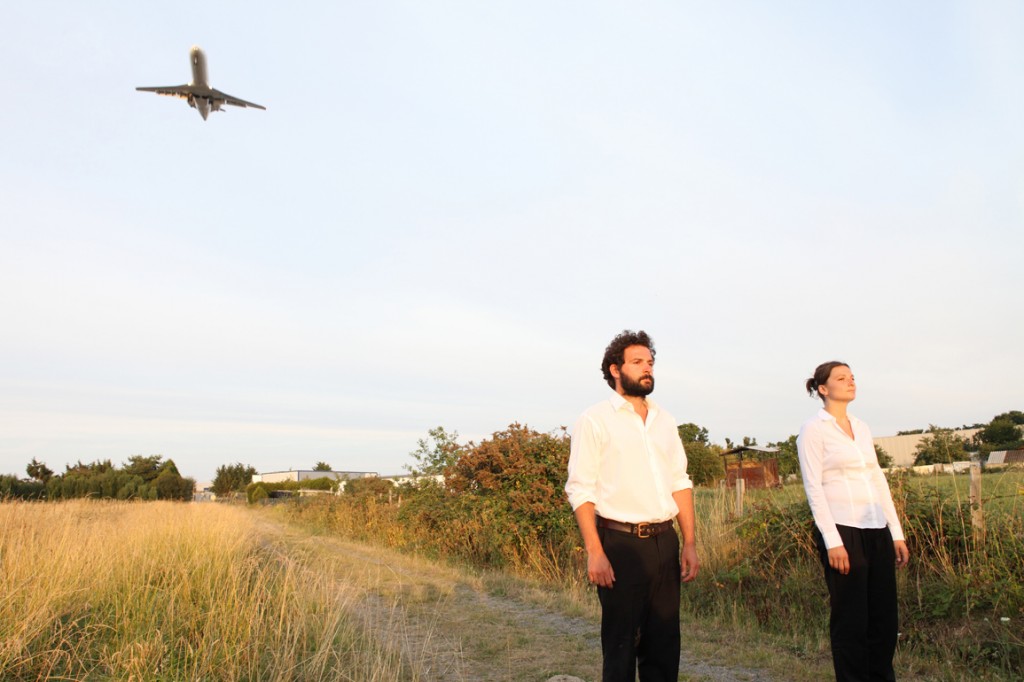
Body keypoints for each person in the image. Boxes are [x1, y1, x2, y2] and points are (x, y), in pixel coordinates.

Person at [565, 330, 699, 682]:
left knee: (665, 643)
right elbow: (581, 489)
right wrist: (594, 551)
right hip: (620, 544)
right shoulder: (594, 420)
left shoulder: (665, 421)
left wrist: (690, 542)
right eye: (637, 362)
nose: (647, 368)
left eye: (650, 362)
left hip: (665, 542)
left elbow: (680, 482)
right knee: (622, 644)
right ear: (615, 369)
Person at [797, 361, 911, 682]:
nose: (851, 382)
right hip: (842, 532)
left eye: (852, 377)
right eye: (842, 378)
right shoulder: (813, 429)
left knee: (884, 618)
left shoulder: (861, 427)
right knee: (851, 620)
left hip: (877, 530)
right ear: (823, 389)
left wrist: (896, 533)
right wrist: (833, 541)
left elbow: (877, 479)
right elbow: (813, 488)